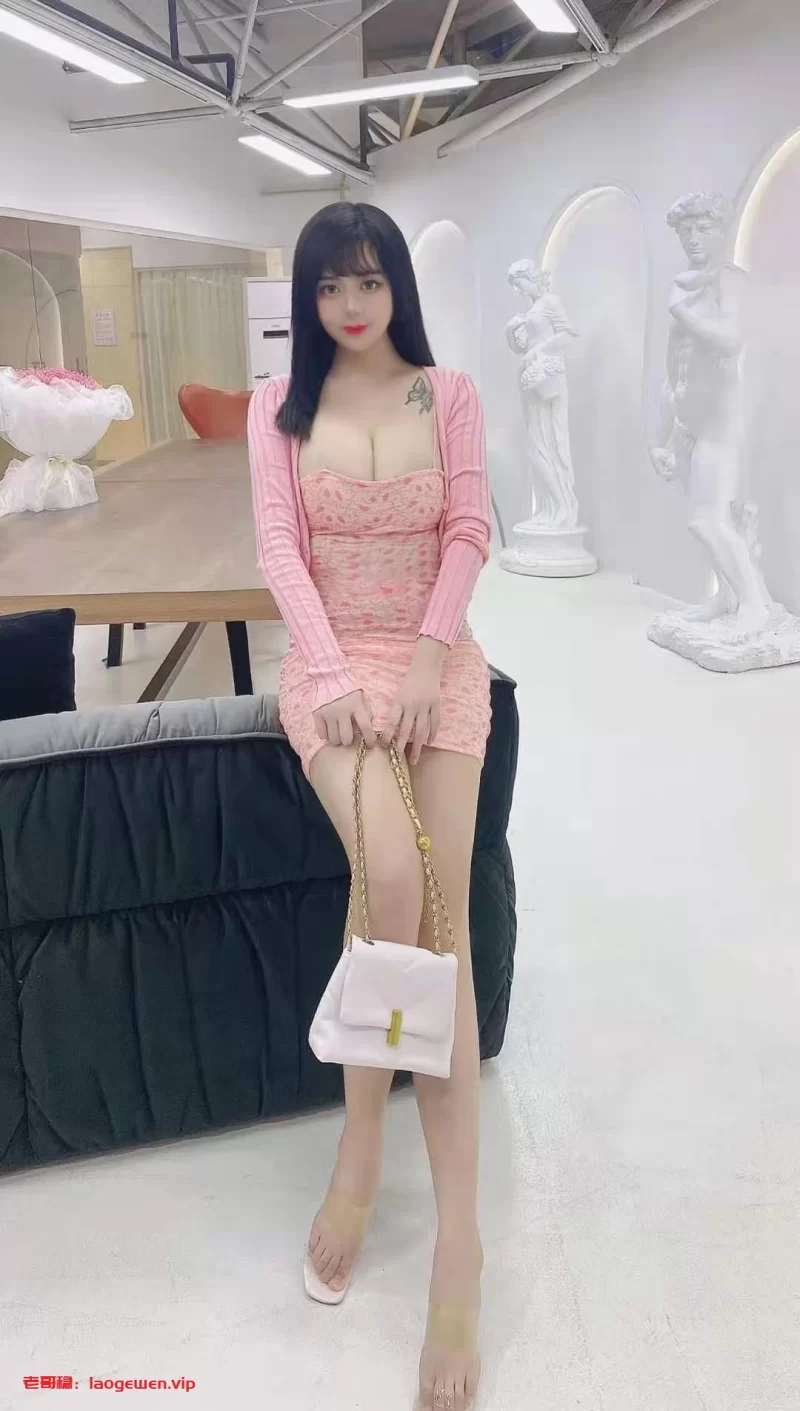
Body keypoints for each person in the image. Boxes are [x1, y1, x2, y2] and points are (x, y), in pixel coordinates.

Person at [247, 201, 492, 1411]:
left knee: (440, 932)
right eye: (329, 287)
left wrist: (435, 659)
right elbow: (279, 552)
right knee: (389, 874)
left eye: (369, 281)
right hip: (330, 671)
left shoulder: (447, 395)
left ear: (397, 285)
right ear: (309, 300)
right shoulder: (276, 409)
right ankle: (362, 1143)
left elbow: (468, 529)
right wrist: (337, 675)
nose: (350, 305)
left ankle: (460, 1242)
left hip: (438, 666)